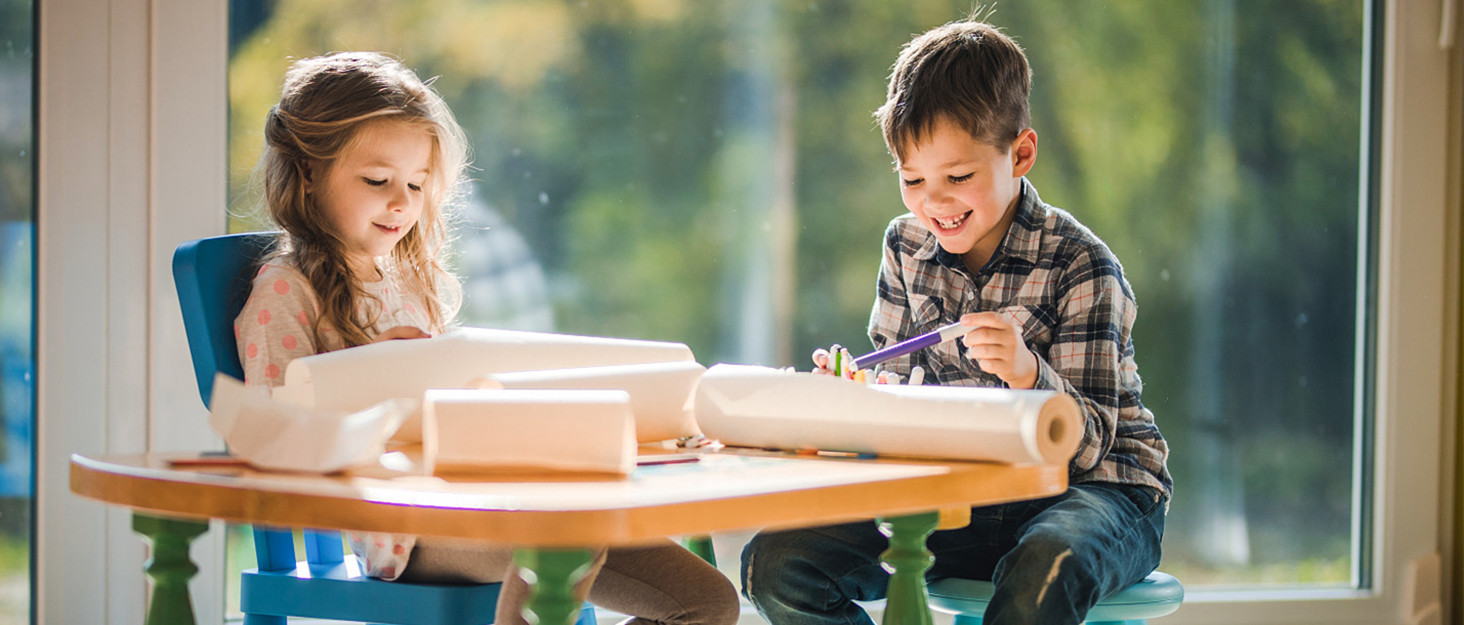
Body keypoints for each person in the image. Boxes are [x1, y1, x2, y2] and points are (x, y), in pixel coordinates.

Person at [235, 51, 739, 625]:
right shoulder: (285, 292)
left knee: (708, 601)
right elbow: (275, 448)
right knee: (565, 529)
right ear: (307, 172)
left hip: (480, 495)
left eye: (417, 184)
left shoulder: (408, 283)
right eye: (377, 180)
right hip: (406, 529)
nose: (402, 202)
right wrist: (365, 383)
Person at [740, 19, 1171, 625]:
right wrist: (856, 397)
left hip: (1098, 493)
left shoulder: (1082, 263)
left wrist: (1029, 375)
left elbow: (1095, 440)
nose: (933, 202)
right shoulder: (904, 245)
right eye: (912, 179)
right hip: (962, 494)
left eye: (958, 177)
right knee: (777, 564)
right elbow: (898, 403)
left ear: (1020, 154)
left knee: (1045, 566)